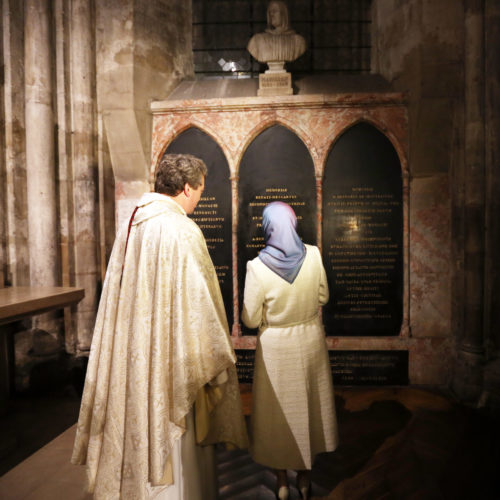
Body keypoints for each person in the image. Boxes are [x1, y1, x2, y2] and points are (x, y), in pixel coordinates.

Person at [72, 154, 248, 500]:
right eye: (200, 190)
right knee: (174, 442)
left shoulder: (134, 222)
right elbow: (199, 305)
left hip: (133, 352)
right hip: (170, 357)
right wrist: (216, 356)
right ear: (186, 187)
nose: (199, 197)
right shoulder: (181, 229)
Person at [242, 201, 338, 500]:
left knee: (279, 416)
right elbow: (323, 296)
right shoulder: (313, 255)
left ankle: (282, 481)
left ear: (267, 227)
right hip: (309, 341)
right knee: (309, 408)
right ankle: (306, 480)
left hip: (276, 349)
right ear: (294, 223)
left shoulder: (257, 268)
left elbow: (250, 318)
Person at [247, 0, 307, 68]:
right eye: (270, 12)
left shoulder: (298, 41)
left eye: (275, 11)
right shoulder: (257, 41)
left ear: (284, 14)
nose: (271, 14)